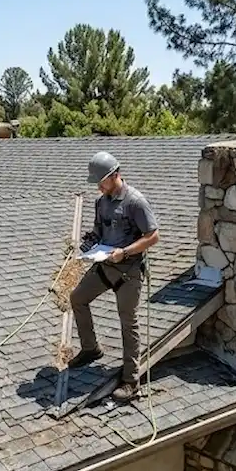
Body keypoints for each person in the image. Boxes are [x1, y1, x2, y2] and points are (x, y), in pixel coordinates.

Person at [67, 151, 160, 402]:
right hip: (104, 266)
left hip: (128, 272)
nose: (98, 186)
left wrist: (125, 252)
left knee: (128, 322)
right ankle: (90, 349)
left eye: (101, 181)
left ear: (114, 175)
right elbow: (100, 230)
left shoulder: (135, 202)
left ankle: (131, 381)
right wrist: (90, 242)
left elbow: (153, 236)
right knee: (77, 299)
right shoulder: (102, 201)